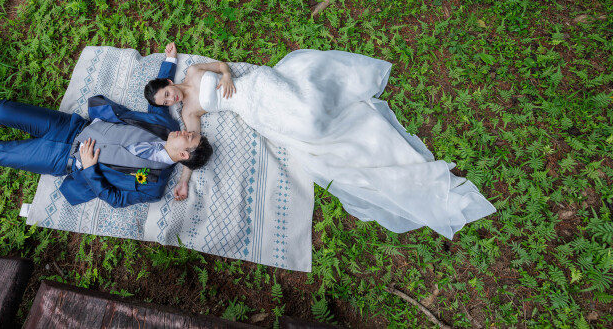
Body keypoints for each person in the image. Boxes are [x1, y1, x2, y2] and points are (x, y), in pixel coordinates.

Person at [144, 44, 495, 239]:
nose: (171, 100)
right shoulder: (189, 114)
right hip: (250, 111)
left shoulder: (191, 72)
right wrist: (185, 181)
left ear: (166, 84)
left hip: (254, 87)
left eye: (166, 95)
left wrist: (228, 77)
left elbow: (221, 65)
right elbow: (193, 148)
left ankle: (332, 104)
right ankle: (350, 135)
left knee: (309, 107)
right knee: (309, 129)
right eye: (165, 104)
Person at [0, 44, 213, 208]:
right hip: (71, 126)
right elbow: (159, 98)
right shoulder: (161, 123)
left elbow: (113, 198)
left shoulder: (152, 184)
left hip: (63, 159)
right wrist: (168, 61)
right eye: (191, 129)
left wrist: (90, 168)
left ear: (184, 155)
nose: (185, 130)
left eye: (190, 137)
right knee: (0, 108)